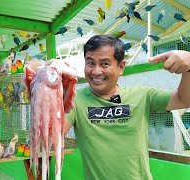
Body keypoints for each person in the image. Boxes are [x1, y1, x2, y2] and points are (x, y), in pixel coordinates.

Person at [64, 34, 190, 180]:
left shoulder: (142, 95)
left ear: (121, 67)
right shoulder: (75, 99)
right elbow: (54, 133)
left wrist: (188, 69)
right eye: (90, 63)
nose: (96, 71)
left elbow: (183, 100)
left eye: (105, 64)